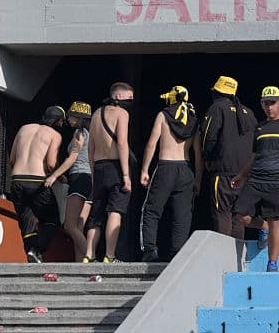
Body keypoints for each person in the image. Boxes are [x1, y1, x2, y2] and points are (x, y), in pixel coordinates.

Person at [137, 86, 197, 262]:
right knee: (182, 215)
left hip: (165, 166)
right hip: (186, 169)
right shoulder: (193, 119)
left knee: (151, 210)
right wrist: (199, 178)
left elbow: (151, 143)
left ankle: (150, 250)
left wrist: (144, 170)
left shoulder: (163, 115)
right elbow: (198, 153)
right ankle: (178, 253)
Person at [198, 75, 257, 241]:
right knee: (238, 215)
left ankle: (222, 253)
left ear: (217, 92)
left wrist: (207, 158)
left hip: (223, 171)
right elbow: (256, 144)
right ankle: (236, 255)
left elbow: (208, 137)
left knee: (222, 212)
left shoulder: (217, 108)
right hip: (245, 173)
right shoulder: (249, 113)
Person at [85, 82, 135, 263]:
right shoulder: (122, 114)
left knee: (96, 214)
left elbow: (90, 148)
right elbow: (122, 143)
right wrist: (126, 175)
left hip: (99, 167)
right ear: (119, 96)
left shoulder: (96, 114)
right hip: (116, 167)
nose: (131, 101)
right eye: (130, 98)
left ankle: (89, 255)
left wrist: (93, 172)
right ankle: (109, 255)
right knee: (115, 211)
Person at [8, 106, 64, 263]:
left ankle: (32, 256)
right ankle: (36, 249)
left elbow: (12, 159)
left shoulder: (24, 129)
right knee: (52, 220)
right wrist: (60, 176)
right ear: (58, 121)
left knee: (27, 222)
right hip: (37, 181)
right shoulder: (55, 135)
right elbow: (51, 164)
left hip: (17, 180)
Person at [233, 86, 279, 272]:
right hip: (256, 179)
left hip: (276, 181)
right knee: (240, 215)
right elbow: (254, 156)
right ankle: (263, 226)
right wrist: (241, 175)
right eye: (265, 103)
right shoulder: (259, 127)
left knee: (276, 221)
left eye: (273, 103)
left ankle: (272, 263)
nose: (269, 107)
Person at [44, 102, 92, 261]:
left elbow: (72, 158)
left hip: (79, 177)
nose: (68, 119)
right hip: (90, 180)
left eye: (71, 116)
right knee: (79, 227)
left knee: (69, 225)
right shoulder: (92, 134)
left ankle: (91, 258)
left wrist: (54, 175)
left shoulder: (80, 133)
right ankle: (81, 265)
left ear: (79, 117)